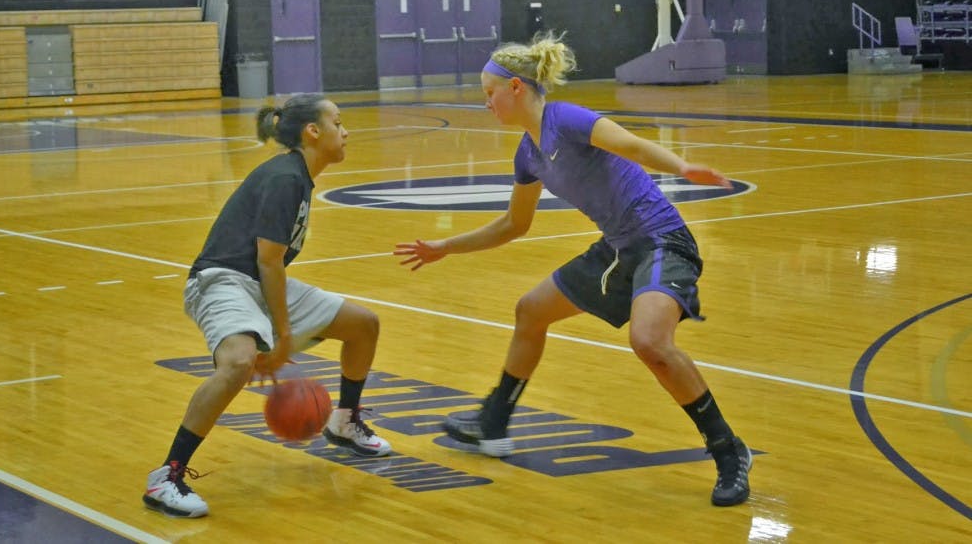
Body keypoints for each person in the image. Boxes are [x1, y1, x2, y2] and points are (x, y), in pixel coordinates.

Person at [394, 32, 752, 507]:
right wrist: (446, 246)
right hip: (618, 250)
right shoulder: (528, 153)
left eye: (489, 93)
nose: (487, 103)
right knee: (531, 311)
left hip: (662, 240)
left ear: (516, 88)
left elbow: (632, 146)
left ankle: (730, 451)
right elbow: (513, 224)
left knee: (649, 341)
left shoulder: (565, 119)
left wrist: (684, 167)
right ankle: (494, 422)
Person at [144, 94, 392, 518]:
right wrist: (282, 337)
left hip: (255, 281)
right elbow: (268, 260)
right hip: (221, 279)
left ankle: (344, 421)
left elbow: (270, 266)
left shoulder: (298, 176)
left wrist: (280, 334)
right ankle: (167, 477)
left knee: (363, 325)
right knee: (239, 364)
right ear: (312, 132)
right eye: (337, 122)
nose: (346, 131)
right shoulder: (285, 178)